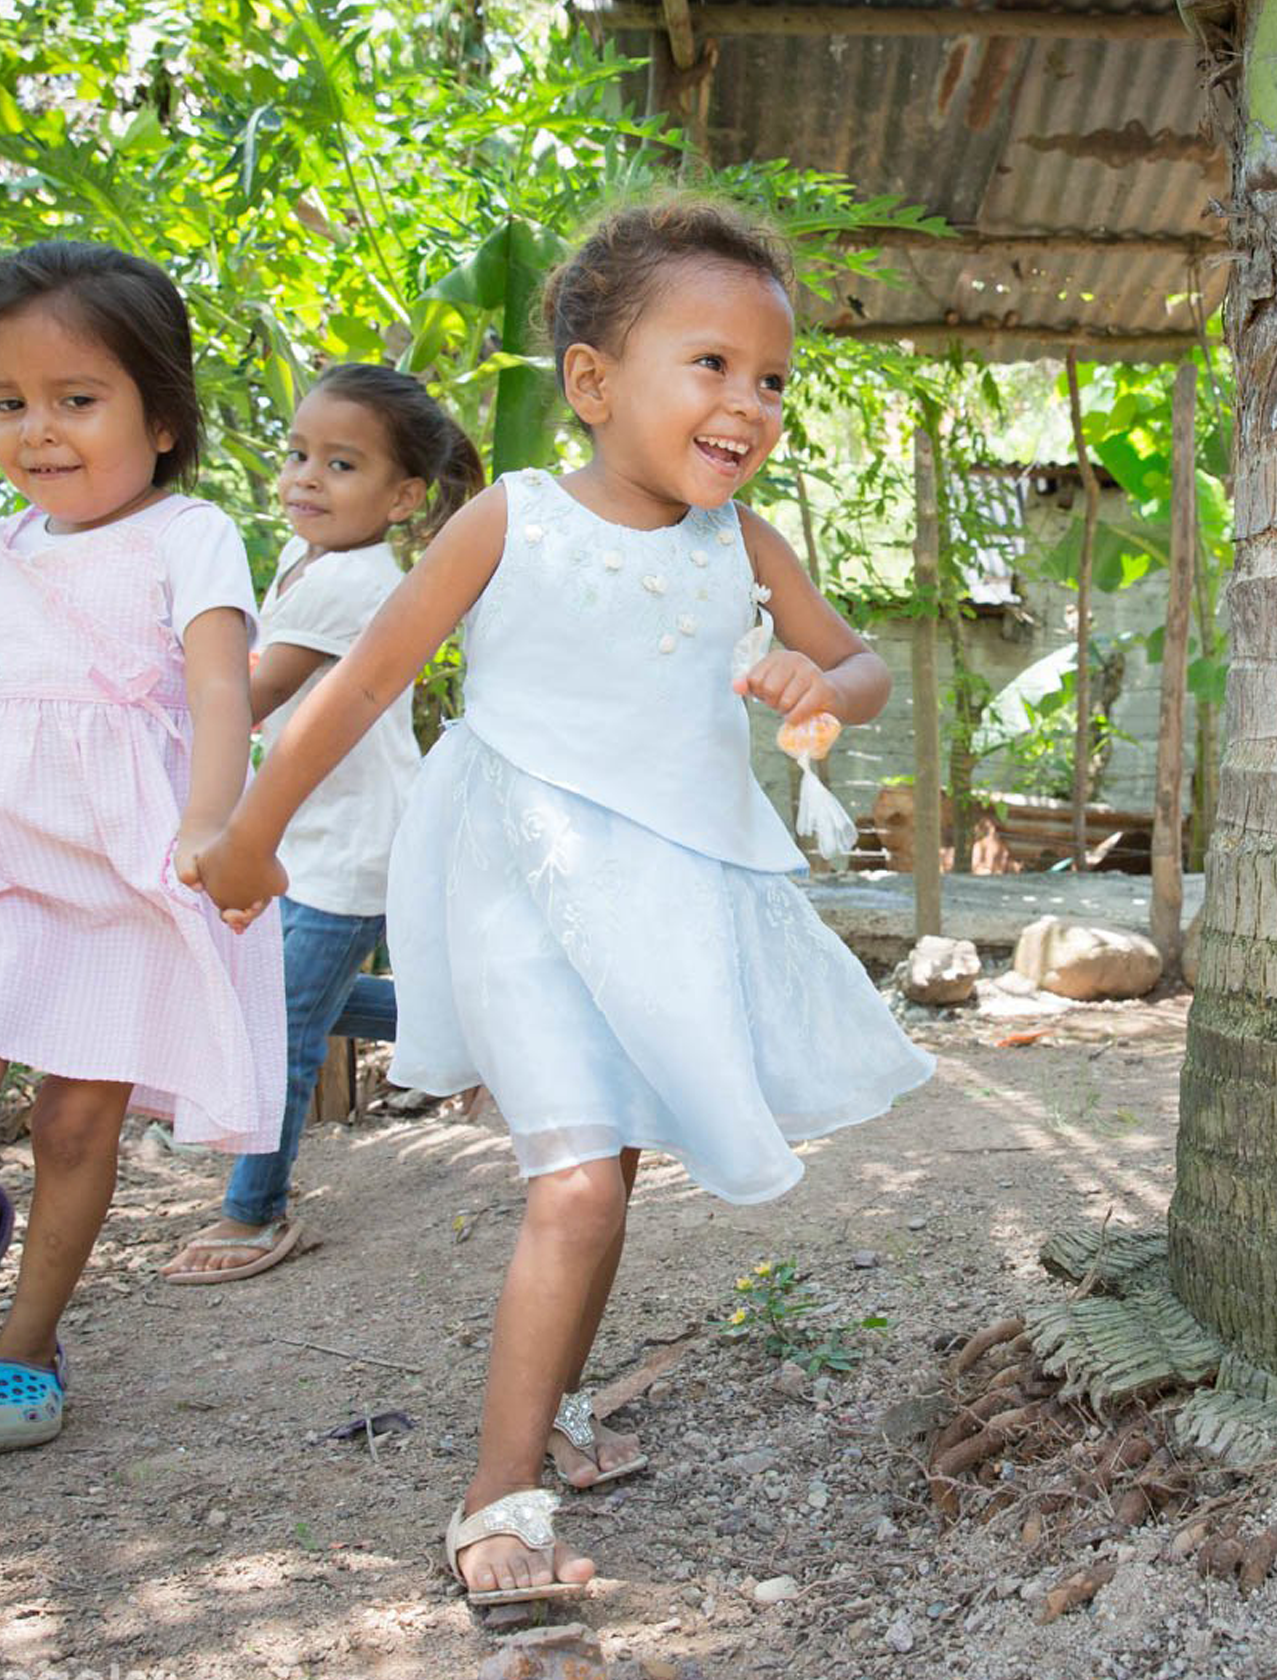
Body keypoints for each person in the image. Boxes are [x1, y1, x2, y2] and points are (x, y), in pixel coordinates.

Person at [194, 197, 934, 1600]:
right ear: (594, 384)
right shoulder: (510, 517)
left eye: (772, 379)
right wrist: (253, 832)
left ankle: (556, 1411)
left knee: (610, 1170)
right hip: (516, 874)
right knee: (579, 1180)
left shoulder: (749, 547)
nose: (749, 402)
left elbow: (864, 670)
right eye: (709, 364)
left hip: (665, 887)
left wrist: (813, 689)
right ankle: (495, 1501)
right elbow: (365, 683)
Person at [0, 240, 282, 1455]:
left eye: (75, 399)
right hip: (3, 866)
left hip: (132, 867)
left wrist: (213, 823)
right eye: (7, 402)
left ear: (160, 414)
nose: (36, 430)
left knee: (75, 1127)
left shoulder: (188, 534)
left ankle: (25, 1343)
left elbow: (216, 689)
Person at [164, 365, 483, 1283]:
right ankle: (478, 1029)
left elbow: (254, 692)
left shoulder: (354, 582)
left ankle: (253, 1213)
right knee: (295, 1000)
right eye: (298, 453)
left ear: (402, 497)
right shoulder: (312, 563)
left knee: (284, 1025)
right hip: (310, 836)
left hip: (352, 847)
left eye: (340, 465)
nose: (306, 476)